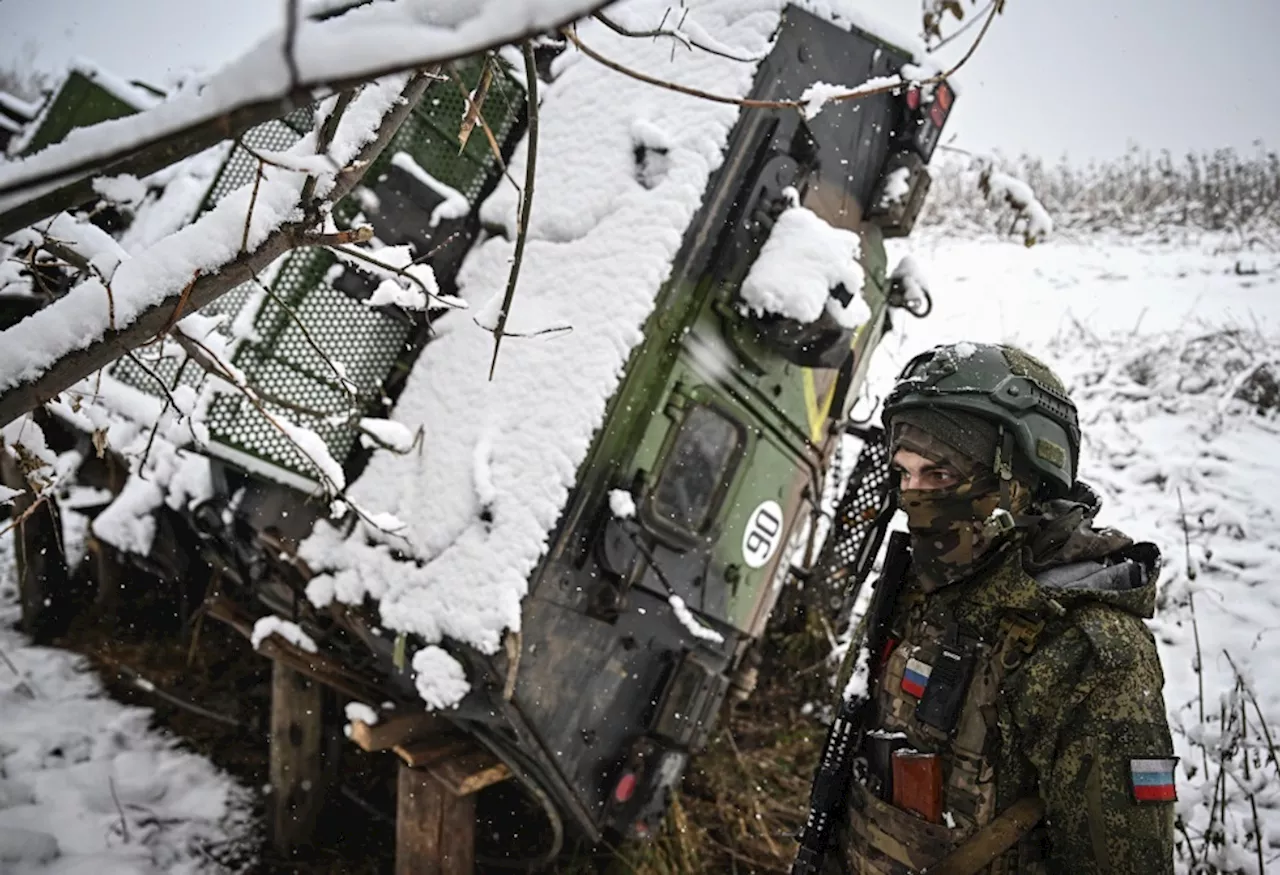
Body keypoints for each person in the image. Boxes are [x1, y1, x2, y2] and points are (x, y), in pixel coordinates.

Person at [835, 342, 1176, 874]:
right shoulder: (923, 590)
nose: (915, 496)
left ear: (1022, 479)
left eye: (940, 475)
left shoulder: (1087, 653)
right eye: (904, 474)